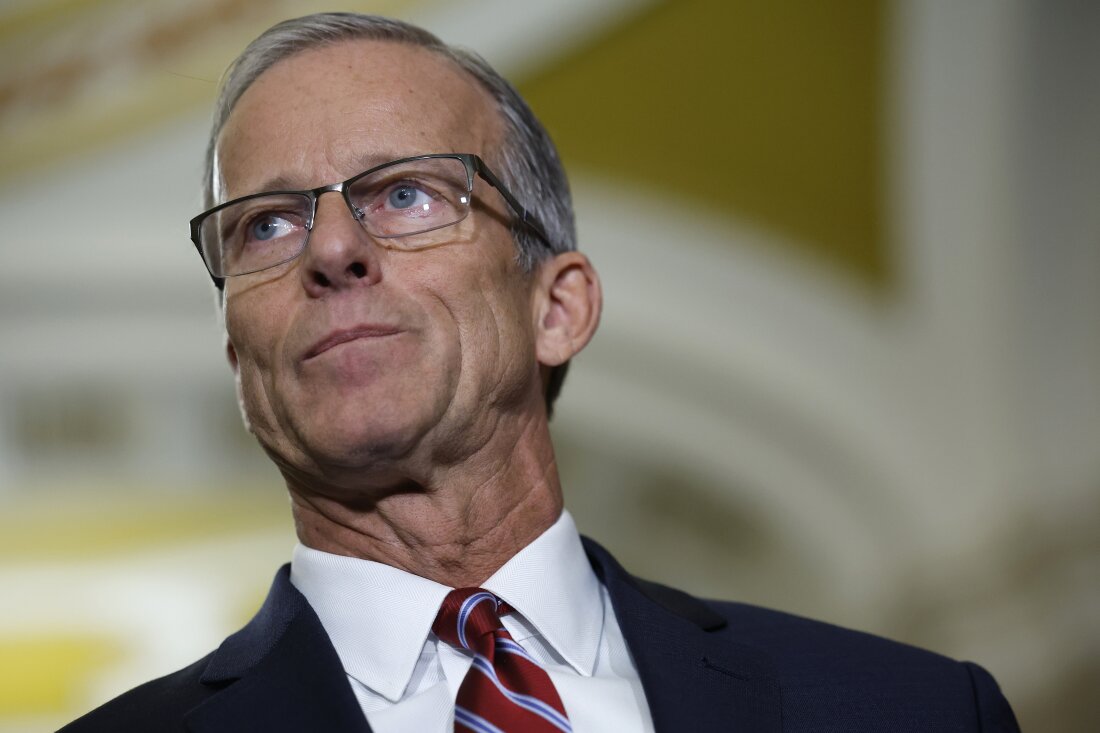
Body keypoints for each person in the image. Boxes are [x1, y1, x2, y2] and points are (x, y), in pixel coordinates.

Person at [62, 12, 1020, 733]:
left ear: (556, 308)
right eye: (267, 223)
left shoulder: (914, 709)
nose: (334, 249)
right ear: (240, 359)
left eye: (405, 193)